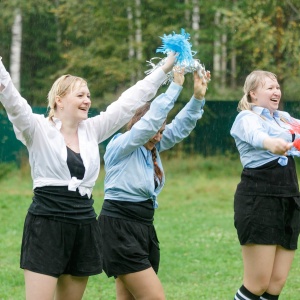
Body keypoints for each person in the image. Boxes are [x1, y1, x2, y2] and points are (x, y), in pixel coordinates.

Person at [0, 53, 176, 300]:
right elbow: (12, 101)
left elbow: (129, 102)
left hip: (83, 224)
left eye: (88, 95)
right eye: (80, 95)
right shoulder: (36, 129)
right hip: (46, 225)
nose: (87, 100)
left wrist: (165, 68)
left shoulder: (92, 130)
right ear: (59, 101)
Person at [98, 68, 210, 300]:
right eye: (155, 131)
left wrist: (197, 97)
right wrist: (174, 87)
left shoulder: (153, 147)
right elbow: (148, 126)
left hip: (142, 227)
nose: (159, 136)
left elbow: (180, 127)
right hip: (120, 228)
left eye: (161, 131)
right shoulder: (121, 145)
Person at [230, 70, 300, 300]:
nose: (276, 91)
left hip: (289, 197)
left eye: (277, 87)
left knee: (275, 284)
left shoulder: (283, 118)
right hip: (259, 198)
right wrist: (272, 144)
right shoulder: (246, 117)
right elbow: (256, 136)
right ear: (253, 93)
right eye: (269, 87)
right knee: (257, 284)